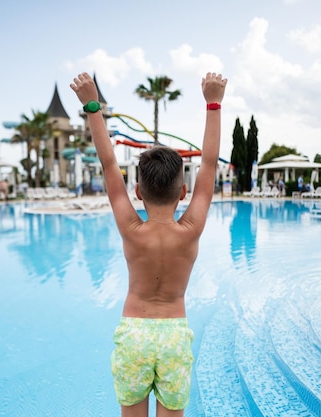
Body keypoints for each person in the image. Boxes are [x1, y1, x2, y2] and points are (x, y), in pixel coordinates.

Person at [71, 72, 227, 417]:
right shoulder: (190, 229)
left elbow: (109, 163)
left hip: (134, 335)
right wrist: (213, 103)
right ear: (183, 192)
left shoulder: (132, 229)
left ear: (138, 192)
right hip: (173, 336)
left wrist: (91, 105)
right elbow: (210, 164)